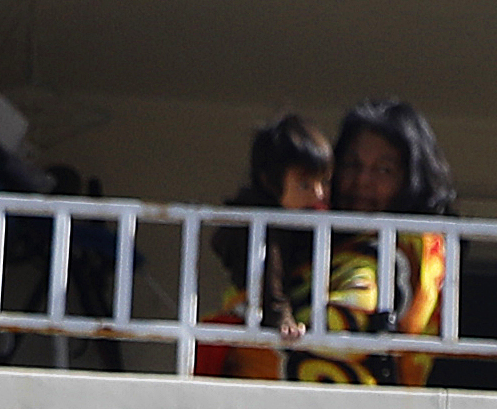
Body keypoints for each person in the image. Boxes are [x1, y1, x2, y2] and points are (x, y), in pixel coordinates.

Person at [293, 96, 452, 385]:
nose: (363, 180)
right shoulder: (309, 243)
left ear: (410, 179)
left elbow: (353, 319)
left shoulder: (413, 245)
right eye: (352, 165)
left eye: (383, 170)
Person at [191, 111, 327, 383]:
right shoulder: (262, 224)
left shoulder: (300, 212)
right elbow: (269, 275)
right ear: (269, 182)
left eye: (323, 182)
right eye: (305, 184)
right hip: (257, 313)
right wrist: (282, 319)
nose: (318, 193)